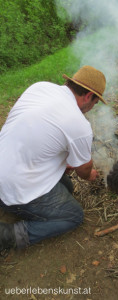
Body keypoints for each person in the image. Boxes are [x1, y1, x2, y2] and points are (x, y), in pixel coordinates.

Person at [0, 65, 106, 253]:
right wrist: (90, 175)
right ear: (89, 96)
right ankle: (7, 235)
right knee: (73, 216)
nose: (91, 109)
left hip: (7, 166)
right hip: (13, 188)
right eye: (95, 103)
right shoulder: (79, 125)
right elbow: (83, 170)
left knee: (68, 188)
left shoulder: (40, 87)